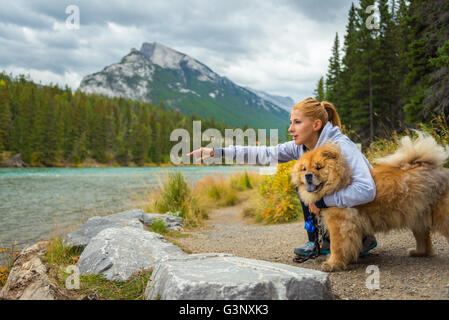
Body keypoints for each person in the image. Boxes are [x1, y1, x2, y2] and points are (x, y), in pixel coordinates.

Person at [188, 97, 377, 257]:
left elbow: (367, 190)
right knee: (303, 180)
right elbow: (263, 153)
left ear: (316, 125)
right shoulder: (300, 147)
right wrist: (218, 152)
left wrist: (323, 202)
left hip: (368, 211)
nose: (290, 129)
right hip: (344, 207)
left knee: (316, 185)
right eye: (290, 122)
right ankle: (317, 241)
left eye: (297, 122)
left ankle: (362, 238)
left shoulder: (341, 146)